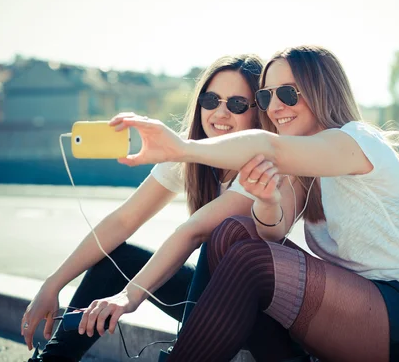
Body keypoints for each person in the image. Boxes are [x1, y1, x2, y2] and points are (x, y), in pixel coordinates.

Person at [84, 45, 399, 362]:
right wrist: (268, 202)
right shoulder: (304, 171)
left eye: (288, 93)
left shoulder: (356, 140)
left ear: (322, 91)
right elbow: (270, 231)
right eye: (266, 95)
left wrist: (184, 148)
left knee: (249, 260)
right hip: (359, 316)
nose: (274, 106)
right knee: (233, 234)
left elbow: (269, 146)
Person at [21, 54, 306, 362]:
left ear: (256, 114)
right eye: (211, 100)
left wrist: (128, 298)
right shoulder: (188, 152)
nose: (220, 112)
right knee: (118, 259)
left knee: (216, 238)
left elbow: (194, 232)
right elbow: (124, 219)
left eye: (236, 104)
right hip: (215, 300)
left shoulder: (263, 167)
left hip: (272, 316)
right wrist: (53, 284)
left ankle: (183, 353)